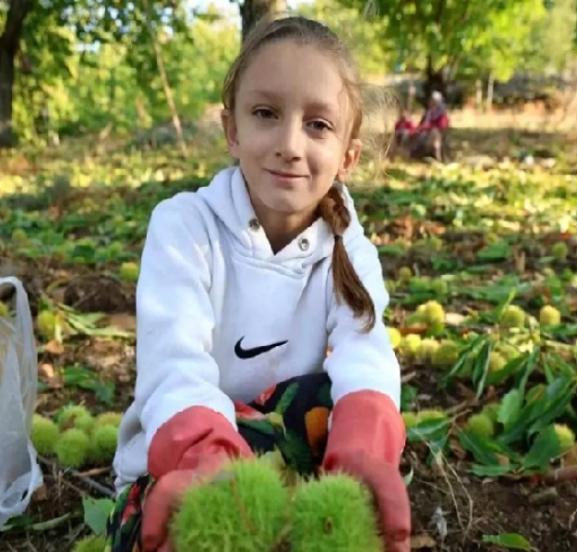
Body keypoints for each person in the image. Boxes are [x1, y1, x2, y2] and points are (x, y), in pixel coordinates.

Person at [107, 16, 410, 552]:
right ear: (232, 130)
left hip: (293, 447)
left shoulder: (351, 249)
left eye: (318, 125)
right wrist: (206, 458)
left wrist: (363, 449)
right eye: (266, 114)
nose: (290, 144)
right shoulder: (184, 227)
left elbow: (366, 355)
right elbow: (173, 363)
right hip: (192, 451)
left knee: (346, 402)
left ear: (349, 155)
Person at [409, 90, 449, 161]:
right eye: (431, 100)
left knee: (434, 134)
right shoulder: (428, 112)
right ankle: (416, 154)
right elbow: (422, 123)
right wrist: (418, 128)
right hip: (425, 131)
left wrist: (428, 127)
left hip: (435, 133)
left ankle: (437, 157)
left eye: (433, 101)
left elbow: (442, 126)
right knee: (416, 134)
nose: (431, 102)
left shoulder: (441, 114)